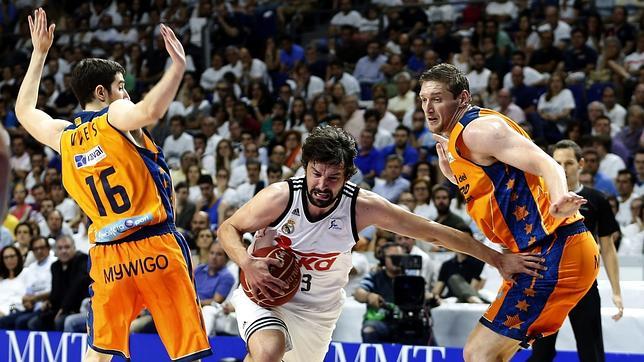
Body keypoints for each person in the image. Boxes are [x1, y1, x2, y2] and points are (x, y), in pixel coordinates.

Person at [218, 126, 545, 362]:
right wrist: (247, 263)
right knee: (269, 350)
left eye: (333, 177)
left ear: (347, 175)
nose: (321, 184)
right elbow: (228, 228)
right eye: (316, 173)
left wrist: (498, 259)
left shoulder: (362, 206)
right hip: (265, 295)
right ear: (306, 167)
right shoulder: (280, 196)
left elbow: (434, 232)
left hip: (318, 311)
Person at [14, 9, 211, 361]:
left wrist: (39, 53)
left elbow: (25, 112)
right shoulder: (116, 115)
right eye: (122, 88)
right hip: (155, 246)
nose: (127, 94)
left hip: (108, 257)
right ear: (102, 92)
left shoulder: (65, 136)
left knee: (99, 353)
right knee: (186, 353)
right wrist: (177, 69)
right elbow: (149, 112)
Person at [421, 63, 599, 361]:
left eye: (437, 98)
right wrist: (452, 174)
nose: (427, 107)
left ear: (462, 99)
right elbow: (492, 184)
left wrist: (558, 200)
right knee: (493, 355)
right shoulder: (458, 141)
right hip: (543, 252)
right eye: (423, 99)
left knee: (479, 354)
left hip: (554, 250)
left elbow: (548, 164)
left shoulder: (479, 130)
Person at [529, 140, 623, 362]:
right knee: (541, 353)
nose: (562, 168)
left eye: (569, 162)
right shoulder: (540, 197)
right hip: (548, 285)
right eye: (557, 162)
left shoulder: (597, 199)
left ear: (580, 164)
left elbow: (608, 248)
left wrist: (616, 291)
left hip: (584, 285)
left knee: (591, 352)